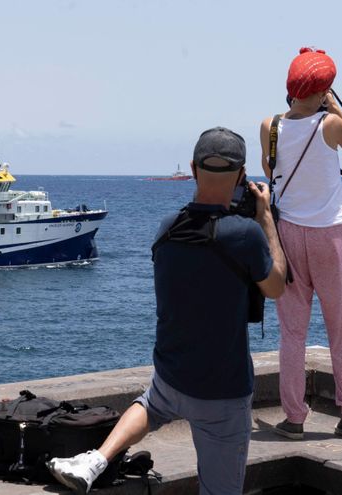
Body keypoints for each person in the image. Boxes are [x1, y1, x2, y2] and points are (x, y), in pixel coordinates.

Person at [47, 127, 287, 495]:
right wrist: (266, 218)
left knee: (151, 404)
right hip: (222, 392)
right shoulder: (245, 235)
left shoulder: (167, 228)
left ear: (192, 170)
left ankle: (96, 460)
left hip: (172, 377)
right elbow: (276, 287)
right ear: (241, 176)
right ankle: (96, 460)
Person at [259, 48, 342, 441]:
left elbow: (271, 172)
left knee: (292, 332)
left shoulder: (269, 125)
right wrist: (335, 106)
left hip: (288, 234)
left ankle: (294, 419)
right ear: (324, 89)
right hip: (332, 233)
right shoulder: (330, 125)